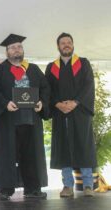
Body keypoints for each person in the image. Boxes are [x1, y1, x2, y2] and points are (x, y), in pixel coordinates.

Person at [0, 34, 49, 200]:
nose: (17, 50)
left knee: (31, 155)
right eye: (13, 48)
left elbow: (45, 89)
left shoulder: (34, 69)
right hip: (9, 120)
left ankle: (33, 188)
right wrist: (5, 103)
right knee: (7, 155)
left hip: (31, 120)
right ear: (7, 52)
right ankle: (6, 189)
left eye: (19, 47)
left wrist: (42, 103)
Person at [45, 32, 97, 197]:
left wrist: (75, 103)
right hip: (61, 112)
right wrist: (57, 104)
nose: (66, 45)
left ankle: (88, 185)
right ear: (58, 46)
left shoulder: (82, 63)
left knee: (84, 145)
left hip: (80, 112)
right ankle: (67, 185)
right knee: (64, 147)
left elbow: (89, 85)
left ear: (73, 45)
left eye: (69, 42)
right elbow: (47, 90)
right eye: (63, 43)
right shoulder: (52, 67)